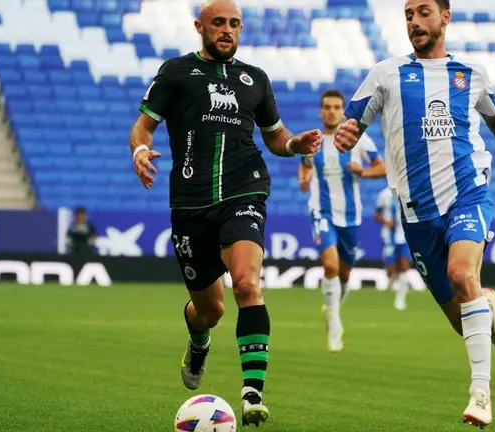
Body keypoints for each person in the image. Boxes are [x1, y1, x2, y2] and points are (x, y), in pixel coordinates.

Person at [334, 0, 495, 427]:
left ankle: (481, 394)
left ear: (444, 17)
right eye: (408, 15)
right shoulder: (386, 73)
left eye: (423, 12)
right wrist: (347, 133)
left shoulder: (470, 74)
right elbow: (354, 121)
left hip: (467, 194)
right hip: (417, 213)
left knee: (460, 273)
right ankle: (486, 301)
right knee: (462, 319)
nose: (414, 22)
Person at [129, 0, 321, 426]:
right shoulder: (176, 72)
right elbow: (143, 126)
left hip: (244, 190)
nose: (227, 30)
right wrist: (140, 150)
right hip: (190, 203)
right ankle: (199, 341)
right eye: (218, 23)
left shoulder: (256, 79)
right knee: (209, 311)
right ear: (200, 27)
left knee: (247, 284)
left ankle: (252, 394)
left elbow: (275, 136)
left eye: (234, 23)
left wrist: (295, 145)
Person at [298, 89, 385, 352]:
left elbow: (382, 167)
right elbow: (305, 163)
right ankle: (334, 323)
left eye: (336, 107)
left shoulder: (357, 138)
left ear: (343, 110)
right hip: (321, 211)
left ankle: (332, 307)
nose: (331, 111)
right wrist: (304, 178)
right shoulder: (312, 140)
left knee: (345, 273)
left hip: (350, 215)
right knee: (330, 266)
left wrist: (363, 172)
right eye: (327, 107)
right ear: (321, 111)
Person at [374, 186, 412, 310]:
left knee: (404, 266)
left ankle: (400, 299)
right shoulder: (384, 194)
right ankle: (390, 281)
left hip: (405, 237)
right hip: (389, 237)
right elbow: (376, 214)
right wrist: (387, 222)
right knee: (391, 269)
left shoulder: (408, 190)